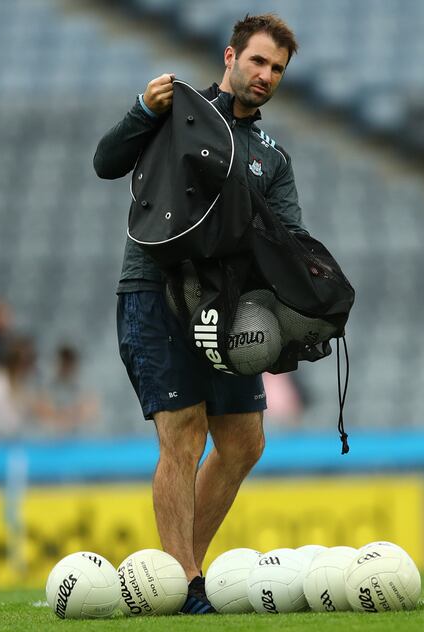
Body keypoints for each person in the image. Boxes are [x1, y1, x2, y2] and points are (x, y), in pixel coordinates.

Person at [93, 14, 303, 614]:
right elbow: (106, 162)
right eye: (259, 61)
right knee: (182, 436)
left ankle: (187, 577)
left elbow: (291, 234)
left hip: (227, 306)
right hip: (154, 293)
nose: (266, 75)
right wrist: (140, 108)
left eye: (278, 70)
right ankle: (184, 585)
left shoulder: (272, 157)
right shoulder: (173, 113)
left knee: (243, 443)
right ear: (231, 57)